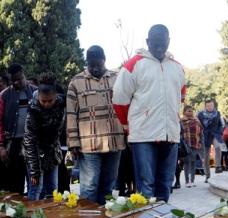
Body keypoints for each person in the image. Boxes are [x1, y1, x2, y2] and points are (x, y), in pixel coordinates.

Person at [112, 24, 186, 202]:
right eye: (155, 43)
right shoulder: (133, 65)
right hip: (143, 135)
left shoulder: (177, 67)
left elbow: (180, 97)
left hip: (170, 135)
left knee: (165, 184)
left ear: (168, 41)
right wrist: (128, 125)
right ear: (147, 42)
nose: (159, 47)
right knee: (146, 185)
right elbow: (119, 99)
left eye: (163, 43)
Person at [67, 45, 125, 205]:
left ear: (104, 60)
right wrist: (73, 143)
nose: (94, 68)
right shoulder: (76, 82)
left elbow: (127, 107)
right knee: (89, 188)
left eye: (98, 64)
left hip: (115, 143)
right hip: (88, 145)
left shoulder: (117, 78)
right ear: (87, 62)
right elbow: (71, 115)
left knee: (108, 186)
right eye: (91, 65)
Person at [0, 63, 36, 194]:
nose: (17, 82)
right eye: (13, 80)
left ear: (24, 74)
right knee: (14, 183)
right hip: (12, 144)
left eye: (19, 79)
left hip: (32, 143)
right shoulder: (4, 95)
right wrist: (0, 146)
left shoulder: (35, 92)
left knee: (34, 181)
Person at [24, 73, 65, 200]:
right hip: (35, 152)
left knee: (53, 190)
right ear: (38, 97)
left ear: (56, 96)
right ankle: (31, 217)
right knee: (36, 187)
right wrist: (34, 171)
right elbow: (30, 142)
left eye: (50, 101)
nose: (47, 104)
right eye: (43, 101)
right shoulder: (33, 111)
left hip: (52, 152)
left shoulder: (62, 103)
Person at [198, 99, 224, 181]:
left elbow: (220, 124)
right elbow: (198, 125)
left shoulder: (217, 113)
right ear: (205, 106)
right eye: (208, 106)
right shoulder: (200, 114)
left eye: (211, 106)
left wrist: (219, 132)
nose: (210, 107)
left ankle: (218, 166)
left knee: (218, 147)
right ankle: (207, 175)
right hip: (205, 135)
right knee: (206, 157)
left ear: (214, 106)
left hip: (215, 134)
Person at [181, 106, 203, 188]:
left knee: (193, 162)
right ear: (184, 112)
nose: (190, 112)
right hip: (186, 144)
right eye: (188, 111)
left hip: (195, 144)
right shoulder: (182, 121)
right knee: (187, 162)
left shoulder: (197, 121)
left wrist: (201, 142)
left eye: (191, 111)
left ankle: (192, 180)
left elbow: (201, 133)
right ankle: (187, 181)